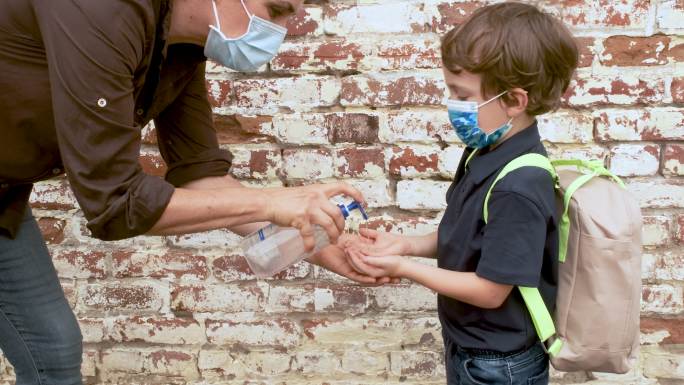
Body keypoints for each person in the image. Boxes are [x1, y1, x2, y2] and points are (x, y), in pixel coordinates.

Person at [0, 1, 378, 384]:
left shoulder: (181, 47)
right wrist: (272, 201)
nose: (281, 31)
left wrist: (316, 239)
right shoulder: (104, 10)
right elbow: (115, 203)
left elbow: (200, 175)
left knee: (52, 349)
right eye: (275, 10)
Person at [344, 3, 579, 384]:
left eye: (463, 95)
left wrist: (404, 270)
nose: (453, 106)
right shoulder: (485, 151)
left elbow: (490, 291)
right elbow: (469, 238)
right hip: (469, 348)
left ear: (514, 101)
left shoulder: (519, 186)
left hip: (500, 365)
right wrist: (405, 246)